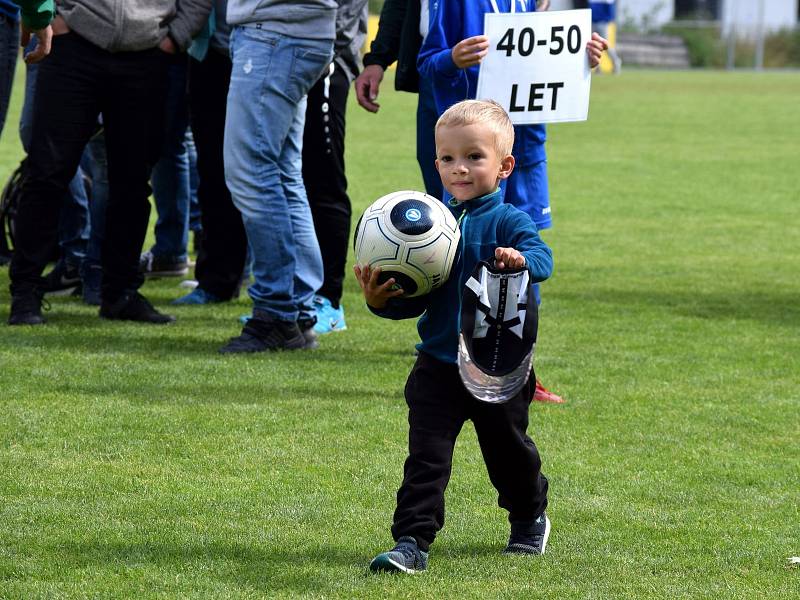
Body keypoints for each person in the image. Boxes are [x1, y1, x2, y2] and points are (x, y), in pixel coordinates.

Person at [357, 100, 554, 574]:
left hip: (496, 363)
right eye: (447, 158)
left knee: (508, 455)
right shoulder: (431, 224)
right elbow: (419, 299)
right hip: (437, 365)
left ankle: (529, 517)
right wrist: (380, 301)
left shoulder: (509, 221)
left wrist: (520, 259)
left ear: (505, 166)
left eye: (473, 157)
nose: (458, 168)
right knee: (426, 458)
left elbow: (544, 260)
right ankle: (412, 542)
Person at [417, 0, 606, 403]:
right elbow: (427, 64)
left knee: (523, 253)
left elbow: (546, 70)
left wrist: (580, 61)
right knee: (459, 254)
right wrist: (452, 58)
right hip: (475, 155)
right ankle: (455, 356)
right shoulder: (454, 4)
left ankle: (519, 369)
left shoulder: (538, 9)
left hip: (527, 151)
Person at [6, 0, 212, 326]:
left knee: (131, 183)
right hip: (73, 44)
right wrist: (50, 17)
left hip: (147, 51)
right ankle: (26, 292)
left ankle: (121, 293)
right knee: (47, 173)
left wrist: (175, 37)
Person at [219, 0, 336, 353]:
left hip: (276, 31)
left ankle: (275, 312)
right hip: (294, 31)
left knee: (253, 172)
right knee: (281, 175)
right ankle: (296, 310)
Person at [304, 0, 368, 335]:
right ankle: (297, 295)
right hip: (287, 59)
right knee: (291, 181)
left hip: (325, 63)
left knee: (324, 180)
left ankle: (329, 299)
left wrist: (324, 49)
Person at [353, 0, 442, 200]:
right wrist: (378, 59)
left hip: (500, 63)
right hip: (435, 72)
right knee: (440, 172)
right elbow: (400, 4)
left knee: (504, 172)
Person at [590, 0, 621, 74]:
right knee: (593, 45)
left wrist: (607, 20)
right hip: (592, 22)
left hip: (602, 23)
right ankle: (597, 68)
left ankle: (616, 62)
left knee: (605, 45)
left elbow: (610, 9)